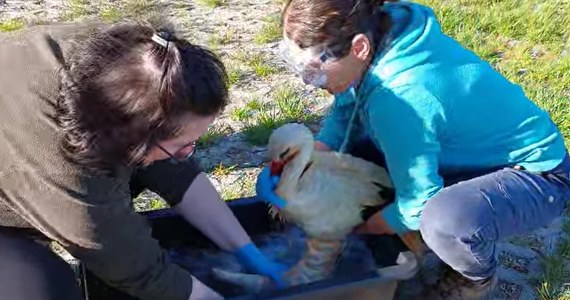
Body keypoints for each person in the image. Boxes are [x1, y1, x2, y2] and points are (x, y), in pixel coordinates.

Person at [255, 0, 570, 299]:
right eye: (298, 66)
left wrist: (362, 226)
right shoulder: (380, 33)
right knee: (352, 162)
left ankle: (473, 279)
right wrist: (310, 158)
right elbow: (344, 112)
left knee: (444, 220)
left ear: (359, 47)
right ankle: (411, 232)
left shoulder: (398, 98)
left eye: (314, 70)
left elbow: (418, 200)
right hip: (464, 152)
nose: (310, 81)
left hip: (537, 175)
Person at [0, 21, 285, 300]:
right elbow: (131, 265)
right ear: (132, 136)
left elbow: (177, 173)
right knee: (42, 284)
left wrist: (253, 257)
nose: (188, 154)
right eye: (182, 146)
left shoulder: (136, 63)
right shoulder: (65, 170)